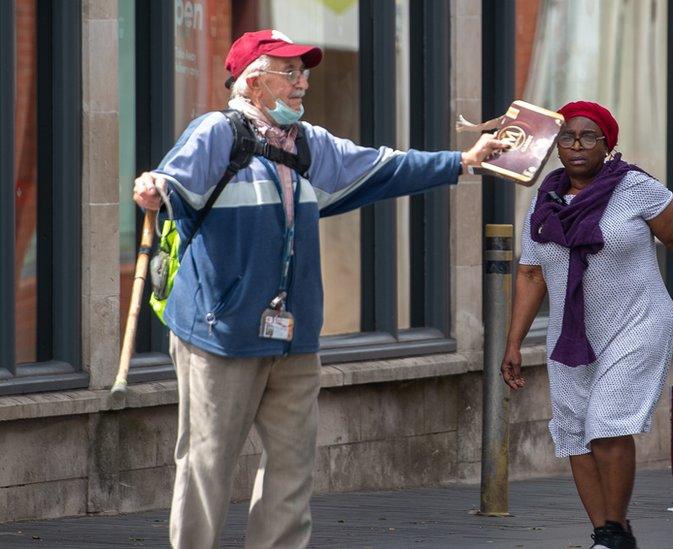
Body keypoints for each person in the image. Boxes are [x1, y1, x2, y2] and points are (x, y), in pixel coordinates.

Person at [131, 29, 505, 548]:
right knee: (206, 464)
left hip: (295, 336)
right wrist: (155, 187)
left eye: (305, 71)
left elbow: (384, 166)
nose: (303, 82)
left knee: (293, 468)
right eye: (291, 71)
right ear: (254, 81)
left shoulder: (312, 144)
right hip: (221, 335)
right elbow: (173, 179)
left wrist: (462, 161)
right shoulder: (216, 131)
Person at [500, 101, 673, 549]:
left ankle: (615, 528)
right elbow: (530, 272)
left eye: (589, 137)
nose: (577, 146)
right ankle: (608, 533)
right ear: (556, 145)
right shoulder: (543, 201)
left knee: (606, 423)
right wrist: (513, 342)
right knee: (575, 431)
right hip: (572, 335)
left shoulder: (636, 188)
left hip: (637, 322)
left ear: (608, 144)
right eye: (568, 137)